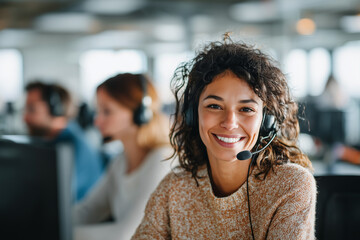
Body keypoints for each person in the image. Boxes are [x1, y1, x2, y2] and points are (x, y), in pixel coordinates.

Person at [132, 37, 316, 239]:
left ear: (266, 122)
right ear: (193, 115)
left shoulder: (291, 186)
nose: (229, 122)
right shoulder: (174, 188)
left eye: (246, 109)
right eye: (214, 106)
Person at [74, 73, 174, 240]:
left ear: (140, 113)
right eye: (98, 111)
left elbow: (128, 234)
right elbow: (87, 211)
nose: (97, 121)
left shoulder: (162, 161)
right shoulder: (120, 162)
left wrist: (54, 233)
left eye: (106, 111)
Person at [23, 81, 104, 202]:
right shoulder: (50, 142)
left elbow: (52, 197)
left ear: (56, 108)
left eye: (32, 109)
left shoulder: (71, 147)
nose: (25, 118)